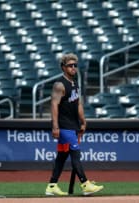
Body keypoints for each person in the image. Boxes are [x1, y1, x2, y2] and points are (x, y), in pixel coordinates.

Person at [45, 53, 104, 196]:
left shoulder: (74, 83)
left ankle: (52, 185)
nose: (73, 68)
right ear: (63, 67)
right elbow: (54, 105)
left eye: (75, 65)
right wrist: (55, 127)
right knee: (75, 154)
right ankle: (85, 184)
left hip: (73, 125)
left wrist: (83, 121)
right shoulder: (59, 84)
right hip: (64, 126)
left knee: (62, 156)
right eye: (70, 65)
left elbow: (78, 104)